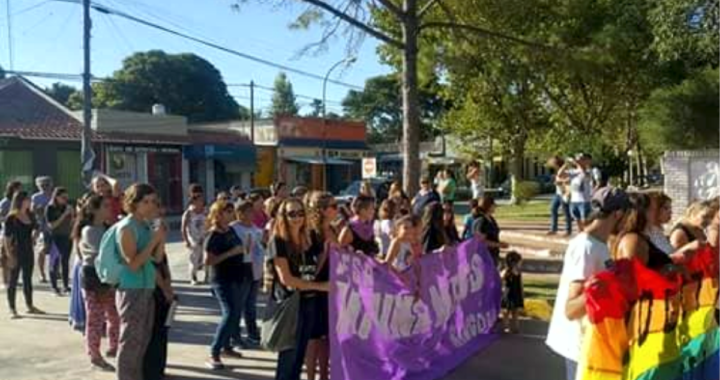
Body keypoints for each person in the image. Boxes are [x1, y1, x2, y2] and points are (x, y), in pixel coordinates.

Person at [546, 187, 630, 380]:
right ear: (618, 214)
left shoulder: (600, 244)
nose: (628, 221)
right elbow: (571, 309)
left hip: (593, 341)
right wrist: (605, 286)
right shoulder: (586, 247)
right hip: (580, 345)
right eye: (627, 215)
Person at [268, 198, 329, 380]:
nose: (297, 217)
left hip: (310, 302)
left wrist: (325, 253)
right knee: (288, 359)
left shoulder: (309, 238)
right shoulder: (278, 241)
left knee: (298, 359)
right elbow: (287, 280)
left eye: (300, 213)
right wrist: (321, 286)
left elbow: (311, 272)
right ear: (283, 216)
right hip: (291, 305)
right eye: (292, 214)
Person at [115, 184, 165, 380]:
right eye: (146, 201)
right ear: (133, 203)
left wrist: (160, 238)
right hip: (131, 289)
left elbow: (157, 259)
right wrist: (154, 241)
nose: (151, 205)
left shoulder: (145, 225)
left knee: (142, 341)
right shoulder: (126, 227)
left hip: (147, 287)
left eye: (153, 201)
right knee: (129, 343)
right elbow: (133, 264)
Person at [75, 194, 119, 371]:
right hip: (94, 276)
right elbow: (103, 253)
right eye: (105, 206)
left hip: (108, 275)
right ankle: (94, 354)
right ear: (94, 209)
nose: (109, 209)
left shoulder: (108, 227)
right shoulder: (89, 230)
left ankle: (114, 345)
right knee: (95, 317)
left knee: (114, 315)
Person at [204, 200, 246, 370]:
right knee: (229, 313)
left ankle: (227, 347)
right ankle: (214, 352)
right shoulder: (213, 235)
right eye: (228, 211)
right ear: (218, 214)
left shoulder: (231, 229)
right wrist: (231, 253)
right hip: (221, 279)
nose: (231, 214)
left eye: (231, 210)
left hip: (236, 276)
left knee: (235, 313)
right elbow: (208, 261)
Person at [614, 193, 700, 271]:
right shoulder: (633, 240)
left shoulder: (646, 235)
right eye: (652, 209)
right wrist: (672, 267)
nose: (654, 213)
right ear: (642, 212)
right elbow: (635, 276)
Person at [305, 192, 338, 380]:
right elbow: (309, 271)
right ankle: (311, 376)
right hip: (316, 290)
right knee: (314, 339)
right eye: (333, 207)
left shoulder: (332, 229)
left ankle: (325, 376)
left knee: (327, 337)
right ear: (323, 210)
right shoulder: (311, 233)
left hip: (331, 290)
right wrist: (325, 254)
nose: (336, 210)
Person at [144, 201, 175, 380]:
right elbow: (152, 266)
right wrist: (164, 288)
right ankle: (152, 371)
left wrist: (169, 285)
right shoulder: (148, 235)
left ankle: (159, 369)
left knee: (162, 332)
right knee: (154, 333)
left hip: (163, 288)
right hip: (153, 289)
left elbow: (163, 262)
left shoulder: (158, 238)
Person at [4, 191, 44, 318]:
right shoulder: (12, 217)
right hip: (15, 251)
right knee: (13, 281)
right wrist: (9, 255)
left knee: (28, 279)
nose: (30, 201)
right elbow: (6, 238)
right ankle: (12, 308)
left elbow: (37, 227)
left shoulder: (30, 214)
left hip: (28, 250)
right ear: (21, 200)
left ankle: (30, 305)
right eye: (28, 199)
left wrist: (35, 235)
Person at [230, 201, 262, 348]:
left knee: (251, 305)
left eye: (252, 211)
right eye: (248, 212)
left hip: (255, 269)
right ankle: (234, 336)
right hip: (240, 269)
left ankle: (252, 333)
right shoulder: (234, 229)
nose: (252, 214)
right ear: (240, 213)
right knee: (238, 304)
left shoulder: (256, 229)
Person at [46, 187, 74, 295]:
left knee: (65, 261)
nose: (65, 199)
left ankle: (66, 285)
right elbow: (51, 225)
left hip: (67, 236)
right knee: (55, 261)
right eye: (63, 197)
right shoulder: (50, 208)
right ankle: (54, 286)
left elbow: (72, 222)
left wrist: (72, 215)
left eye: (66, 197)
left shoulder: (67, 207)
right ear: (56, 197)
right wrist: (64, 215)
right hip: (56, 237)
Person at [558, 154, 594, 232]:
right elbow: (560, 174)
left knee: (585, 221)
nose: (579, 161)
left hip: (584, 201)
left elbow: (584, 174)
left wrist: (576, 163)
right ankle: (581, 234)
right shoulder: (573, 172)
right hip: (574, 200)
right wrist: (566, 164)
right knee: (577, 220)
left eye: (582, 159)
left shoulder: (588, 171)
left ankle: (587, 235)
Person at [472, 196, 509, 266]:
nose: (495, 206)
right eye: (493, 205)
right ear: (488, 206)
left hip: (493, 254)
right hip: (484, 256)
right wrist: (499, 245)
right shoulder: (481, 221)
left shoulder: (491, 219)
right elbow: (481, 242)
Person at [0, 180, 23, 287]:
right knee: (5, 257)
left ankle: (13, 279)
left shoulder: (19, 202)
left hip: (17, 232)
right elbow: (1, 217)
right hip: (6, 232)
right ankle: (5, 281)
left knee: (14, 256)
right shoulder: (5, 202)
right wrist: (10, 217)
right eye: (19, 188)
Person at [181, 193, 207, 285]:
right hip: (194, 239)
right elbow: (183, 228)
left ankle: (206, 276)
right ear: (194, 201)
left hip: (205, 237)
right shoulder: (188, 213)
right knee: (194, 259)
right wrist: (186, 241)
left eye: (202, 200)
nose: (201, 202)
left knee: (205, 257)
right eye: (199, 200)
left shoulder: (205, 211)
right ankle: (193, 277)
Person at [31, 176, 53, 283]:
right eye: (41, 185)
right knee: (42, 250)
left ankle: (55, 271)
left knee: (55, 250)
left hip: (53, 227)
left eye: (46, 185)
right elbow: (32, 211)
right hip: (41, 227)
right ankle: (42, 273)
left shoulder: (54, 196)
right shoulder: (36, 197)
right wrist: (39, 209)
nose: (44, 187)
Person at [547, 157, 572, 236]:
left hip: (564, 193)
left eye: (553, 163)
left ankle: (568, 230)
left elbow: (569, 180)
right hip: (558, 194)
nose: (551, 165)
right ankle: (553, 229)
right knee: (553, 208)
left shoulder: (565, 171)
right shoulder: (556, 172)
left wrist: (560, 181)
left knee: (566, 212)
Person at [501, 251, 524, 334]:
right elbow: (521, 286)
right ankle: (515, 328)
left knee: (506, 313)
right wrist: (522, 295)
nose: (521, 264)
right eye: (520, 262)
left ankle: (506, 327)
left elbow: (502, 283)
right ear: (514, 263)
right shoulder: (517, 273)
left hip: (507, 294)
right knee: (514, 313)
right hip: (514, 294)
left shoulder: (505, 272)